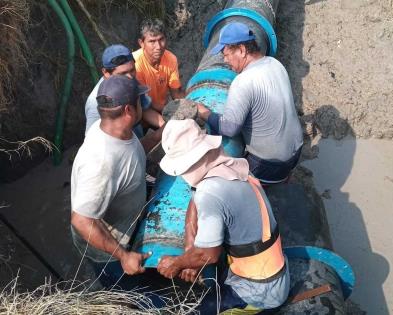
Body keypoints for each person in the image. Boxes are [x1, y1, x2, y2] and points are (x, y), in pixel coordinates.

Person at [156, 119, 290, 314]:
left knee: (200, 309)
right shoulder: (231, 166)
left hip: (262, 292)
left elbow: (209, 256)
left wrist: (177, 263)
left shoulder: (210, 193)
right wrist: (190, 251)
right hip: (271, 271)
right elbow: (194, 204)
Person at [71, 75, 154, 290]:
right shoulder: (101, 161)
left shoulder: (114, 128)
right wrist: (123, 256)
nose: (142, 103)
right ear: (128, 110)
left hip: (126, 225)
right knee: (133, 294)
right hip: (109, 255)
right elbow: (81, 220)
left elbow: (131, 156)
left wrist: (162, 135)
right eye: (139, 100)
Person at [197, 22, 303, 185]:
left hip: (270, 163)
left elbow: (229, 128)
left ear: (242, 50)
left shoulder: (244, 81)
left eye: (226, 54)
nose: (225, 60)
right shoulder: (275, 64)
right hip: (296, 151)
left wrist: (204, 112)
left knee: (238, 187)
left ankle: (266, 190)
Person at [84, 44, 152, 138]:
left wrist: (164, 125)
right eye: (122, 73)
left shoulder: (131, 81)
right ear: (106, 73)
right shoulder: (96, 104)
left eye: (132, 70)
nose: (129, 77)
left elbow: (145, 110)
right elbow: (94, 140)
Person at [133, 18, 185, 129]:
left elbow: (176, 93)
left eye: (161, 39)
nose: (158, 47)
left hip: (162, 108)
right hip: (142, 111)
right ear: (141, 43)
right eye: (152, 41)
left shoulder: (171, 59)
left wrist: (187, 108)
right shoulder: (135, 65)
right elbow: (143, 103)